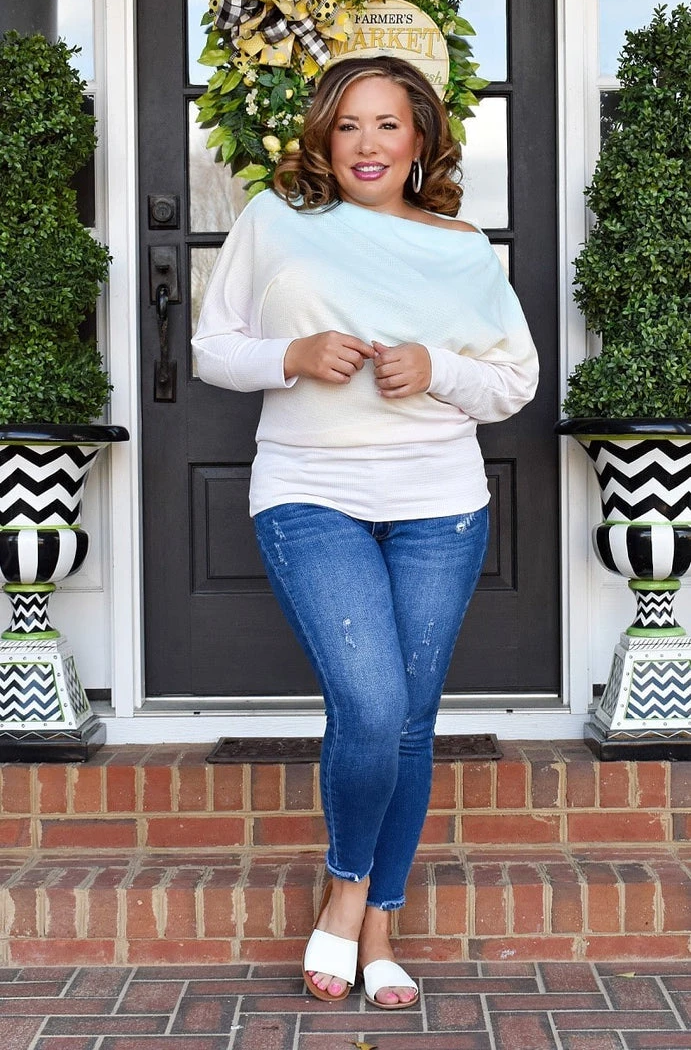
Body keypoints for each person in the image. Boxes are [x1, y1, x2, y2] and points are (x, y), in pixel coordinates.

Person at [192, 55, 538, 1009]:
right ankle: (348, 889)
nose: (367, 144)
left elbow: (512, 381)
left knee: (410, 725)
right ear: (324, 137)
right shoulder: (275, 219)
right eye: (348, 125)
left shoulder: (463, 247)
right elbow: (213, 349)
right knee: (373, 704)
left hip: (439, 505)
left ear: (420, 138)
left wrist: (436, 367)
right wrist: (293, 354)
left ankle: (375, 919)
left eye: (387, 124)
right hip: (310, 492)